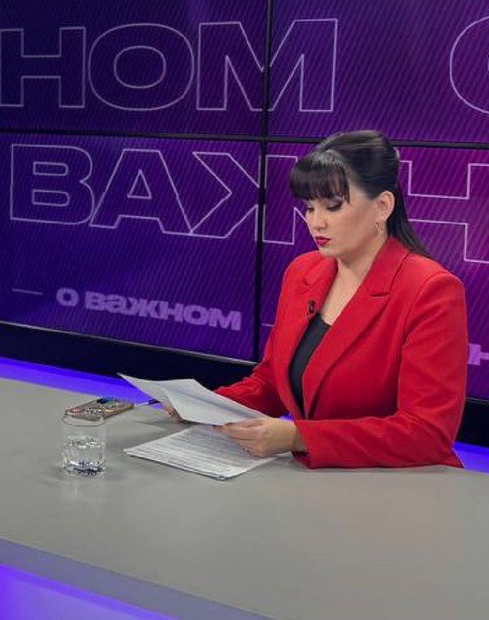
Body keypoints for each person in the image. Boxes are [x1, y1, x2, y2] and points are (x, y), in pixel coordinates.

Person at [198, 131, 468, 467]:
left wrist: (299, 437)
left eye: (333, 206)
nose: (316, 222)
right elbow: (272, 383)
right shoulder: (302, 271)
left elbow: (426, 434)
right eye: (310, 207)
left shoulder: (430, 290)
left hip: (400, 485)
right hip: (313, 480)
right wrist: (202, 406)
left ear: (382, 206)